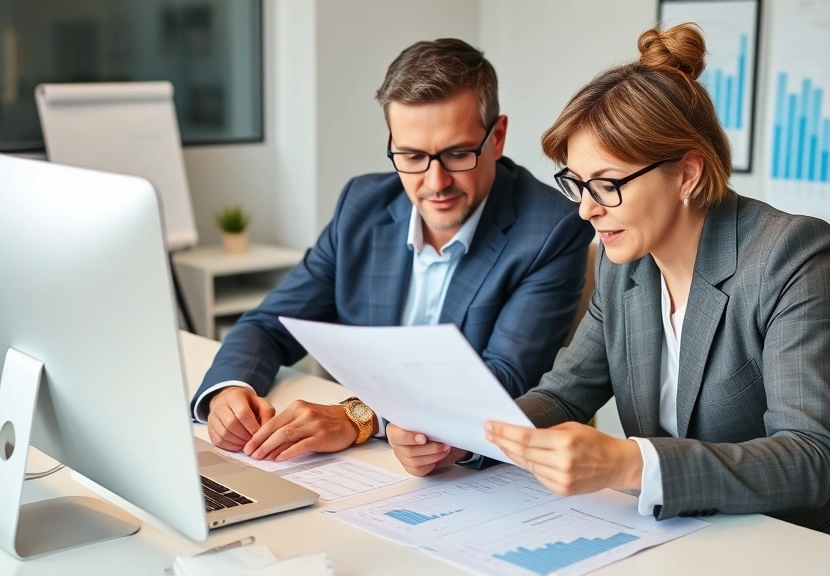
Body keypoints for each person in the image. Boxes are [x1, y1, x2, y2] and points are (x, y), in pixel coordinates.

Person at [387, 24, 830, 549]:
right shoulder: (623, 265)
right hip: (685, 538)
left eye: (607, 185)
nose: (586, 210)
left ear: (687, 174)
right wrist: (464, 438)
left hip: (799, 544)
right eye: (578, 185)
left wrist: (630, 463)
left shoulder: (789, 254)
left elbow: (810, 459)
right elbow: (562, 395)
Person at [192, 38, 594, 464]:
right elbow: (269, 324)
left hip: (474, 470)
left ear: (496, 138)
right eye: (412, 156)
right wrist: (230, 390)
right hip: (362, 465)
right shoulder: (361, 207)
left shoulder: (551, 228)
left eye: (458, 154)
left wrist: (358, 417)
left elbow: (502, 382)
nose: (436, 183)